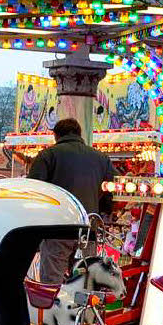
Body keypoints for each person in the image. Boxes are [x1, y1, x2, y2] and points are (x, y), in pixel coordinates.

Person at [28, 117, 116, 284]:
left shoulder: (48, 155)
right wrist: (105, 210)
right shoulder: (101, 158)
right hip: (88, 229)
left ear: (56, 136)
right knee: (83, 283)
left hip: (57, 229)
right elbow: (113, 187)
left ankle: (53, 310)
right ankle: (80, 311)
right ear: (79, 134)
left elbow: (34, 189)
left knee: (52, 282)